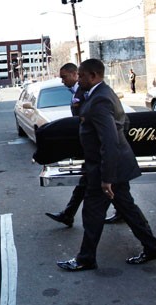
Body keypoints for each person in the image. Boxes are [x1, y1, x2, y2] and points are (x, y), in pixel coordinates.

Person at [56, 59, 156, 271]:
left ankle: (85, 259)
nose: (78, 80)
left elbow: (109, 140)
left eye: (81, 76)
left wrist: (107, 177)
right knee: (127, 208)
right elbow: (123, 123)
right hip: (113, 164)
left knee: (92, 212)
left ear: (93, 76)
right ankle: (153, 247)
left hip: (105, 168)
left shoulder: (99, 100)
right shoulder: (104, 93)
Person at [45, 63, 123, 227]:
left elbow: (108, 129)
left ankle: (72, 217)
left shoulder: (95, 94)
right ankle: (69, 214)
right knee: (90, 184)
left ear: (76, 74)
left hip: (101, 151)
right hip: (94, 151)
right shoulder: (84, 91)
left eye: (65, 76)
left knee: (99, 200)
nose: (63, 81)